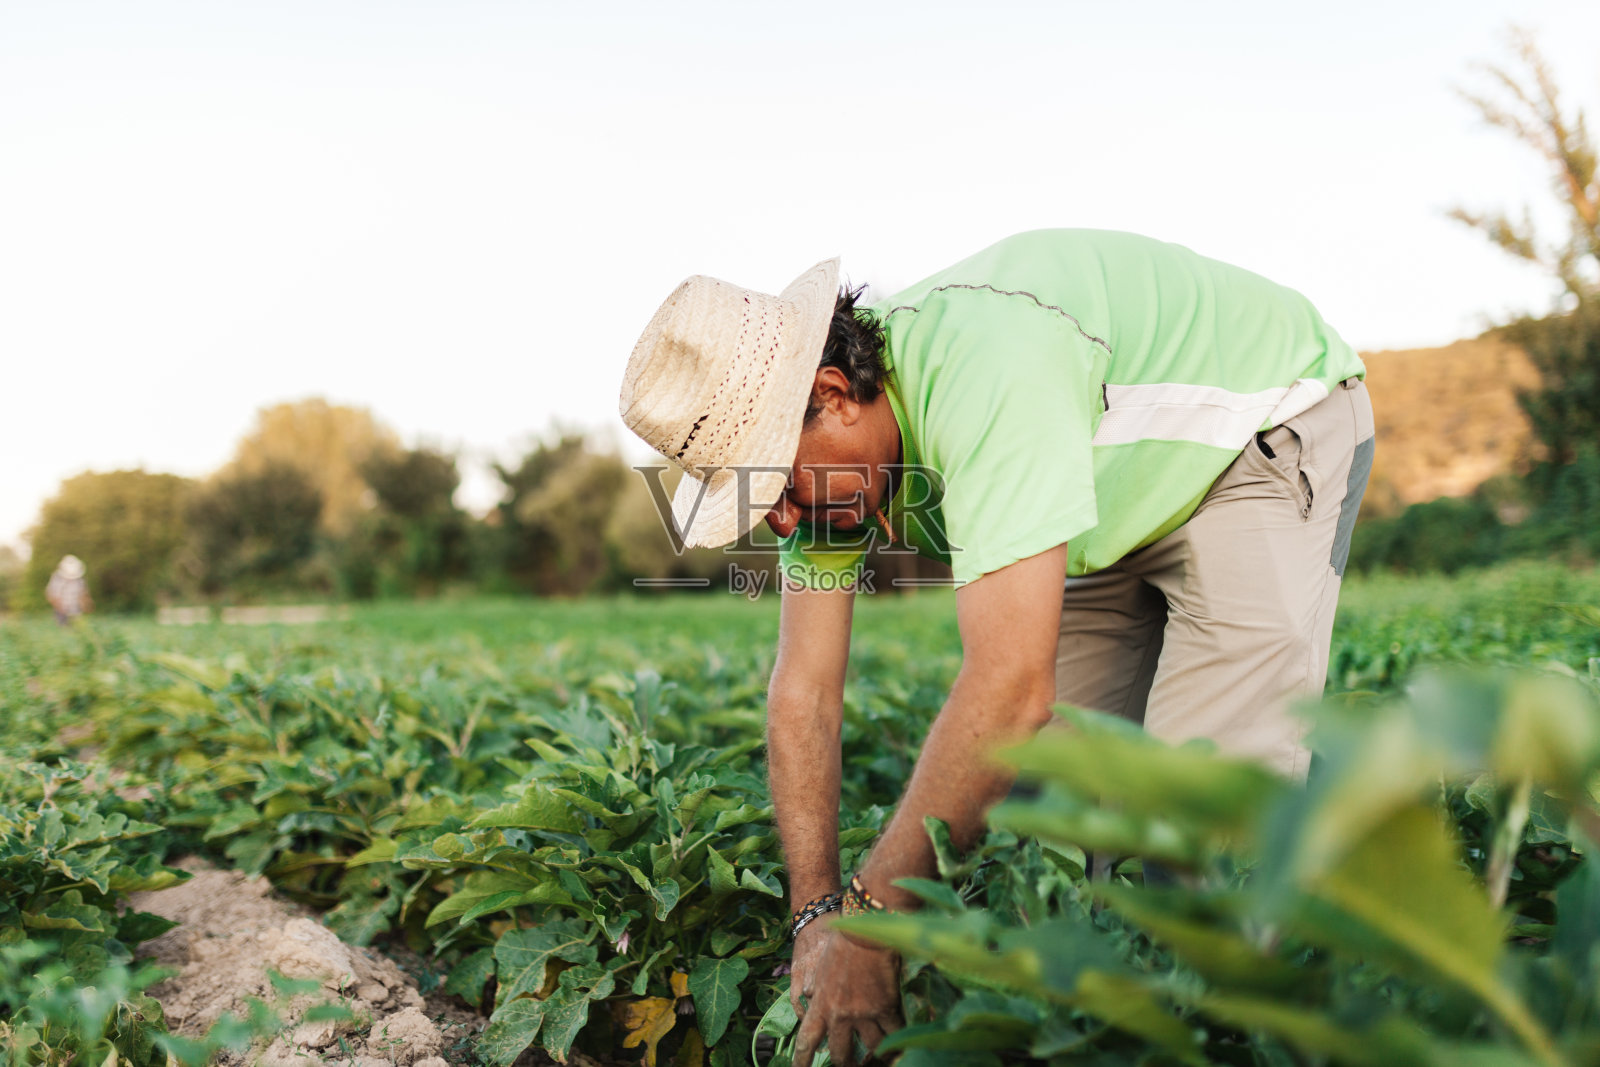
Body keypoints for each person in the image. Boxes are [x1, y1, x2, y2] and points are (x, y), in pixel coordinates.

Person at [618, 229, 1374, 1066]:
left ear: (832, 393)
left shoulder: (986, 372)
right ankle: (1107, 1027)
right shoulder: (828, 481)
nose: (780, 521)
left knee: (1200, 820)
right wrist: (817, 913)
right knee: (1061, 811)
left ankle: (1243, 1023)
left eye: (777, 481)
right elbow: (806, 693)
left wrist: (873, 925)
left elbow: (1011, 688)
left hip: (1258, 433)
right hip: (1107, 504)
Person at [45, 554, 93, 625]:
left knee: (78, 629)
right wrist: (61, 608)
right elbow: (51, 595)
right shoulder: (57, 579)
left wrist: (86, 604)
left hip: (76, 610)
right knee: (63, 630)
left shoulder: (80, 580)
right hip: (61, 612)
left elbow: (84, 593)